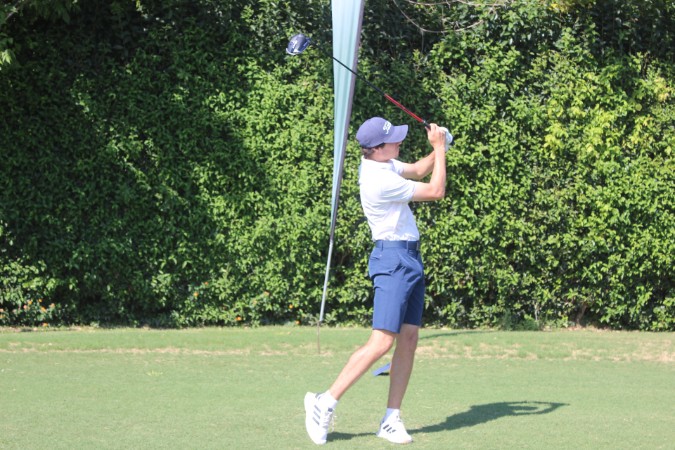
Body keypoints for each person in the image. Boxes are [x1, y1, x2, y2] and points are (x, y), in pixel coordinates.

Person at [304, 116, 448, 445]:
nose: (399, 142)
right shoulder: (379, 180)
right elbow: (436, 190)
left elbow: (418, 169)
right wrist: (439, 149)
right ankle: (325, 401)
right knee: (382, 342)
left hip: (410, 257)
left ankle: (391, 419)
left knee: (408, 338)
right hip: (393, 260)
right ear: (377, 149)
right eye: (394, 140)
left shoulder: (384, 164)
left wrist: (442, 146)